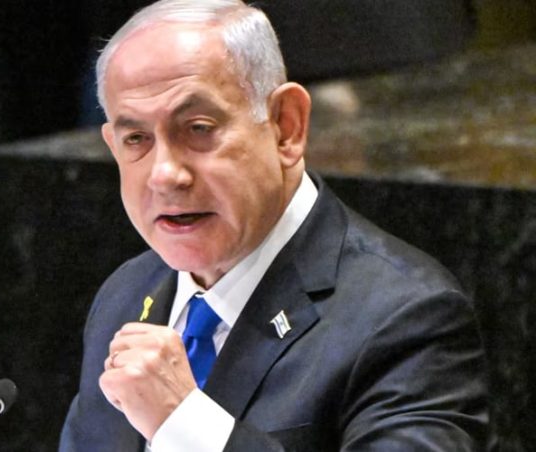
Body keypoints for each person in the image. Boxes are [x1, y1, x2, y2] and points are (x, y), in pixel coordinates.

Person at [60, 0, 491, 450]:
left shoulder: (405, 317)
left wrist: (185, 422)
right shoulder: (125, 294)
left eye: (198, 128)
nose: (165, 174)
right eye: (136, 139)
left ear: (286, 126)